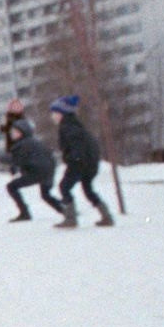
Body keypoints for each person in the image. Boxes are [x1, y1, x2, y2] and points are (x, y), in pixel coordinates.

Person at [48, 95, 114, 229]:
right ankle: (106, 216)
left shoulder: (67, 127)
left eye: (55, 113)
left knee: (64, 187)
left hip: (79, 163)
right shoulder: (75, 125)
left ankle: (70, 219)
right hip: (90, 163)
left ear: (63, 113)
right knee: (88, 189)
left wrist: (74, 160)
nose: (52, 116)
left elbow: (77, 147)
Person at [0, 102, 66, 223]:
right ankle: (65, 210)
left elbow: (18, 160)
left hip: (37, 172)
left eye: (15, 132)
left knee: (11, 187)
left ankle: (24, 213)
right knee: (45, 195)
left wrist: (4, 159)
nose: (12, 134)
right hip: (48, 172)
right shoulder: (35, 142)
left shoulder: (23, 144)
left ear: (22, 132)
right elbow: (46, 156)